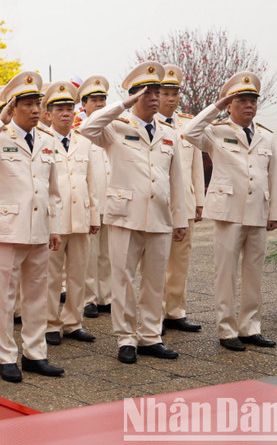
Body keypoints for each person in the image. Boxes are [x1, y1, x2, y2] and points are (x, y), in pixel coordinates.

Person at [80, 61, 187, 365]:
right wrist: (123, 104)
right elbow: (88, 127)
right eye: (148, 92)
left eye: (158, 92)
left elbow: (176, 180)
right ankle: (126, 337)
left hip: (159, 216)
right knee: (123, 280)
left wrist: (179, 219)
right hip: (125, 215)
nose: (155, 97)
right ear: (134, 96)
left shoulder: (169, 134)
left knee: (154, 280)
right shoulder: (115, 128)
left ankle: (151, 336)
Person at [0, 71, 64, 381]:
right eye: (29, 104)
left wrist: (55, 226)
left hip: (39, 228)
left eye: (38, 103)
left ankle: (35, 354)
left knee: (37, 296)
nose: (36, 110)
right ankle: (6, 356)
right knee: (4, 298)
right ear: (13, 107)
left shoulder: (47, 139)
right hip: (8, 229)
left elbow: (54, 189)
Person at [183, 71, 277, 351]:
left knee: (254, 273)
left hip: (257, 213)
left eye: (252, 100)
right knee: (225, 273)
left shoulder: (266, 136)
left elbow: (272, 176)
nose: (249, 105)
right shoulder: (216, 132)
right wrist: (216, 106)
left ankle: (250, 327)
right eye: (242, 100)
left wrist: (275, 213)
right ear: (230, 104)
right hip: (228, 213)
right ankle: (227, 330)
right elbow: (189, 132)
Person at [41, 81, 99, 346]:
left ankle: (73, 322)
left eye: (69, 108)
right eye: (59, 109)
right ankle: (51, 323)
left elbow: (93, 182)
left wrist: (95, 216)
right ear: (49, 113)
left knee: (78, 275)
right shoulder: (42, 140)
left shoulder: (84, 142)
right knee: (52, 277)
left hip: (80, 217)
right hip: (53, 220)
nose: (65, 113)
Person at [156, 65, 204, 333]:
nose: (171, 99)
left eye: (175, 93)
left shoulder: (188, 124)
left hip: (184, 200)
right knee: (156, 261)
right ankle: (155, 314)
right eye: (166, 93)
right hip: (159, 202)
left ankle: (175, 311)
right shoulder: (146, 123)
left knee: (180, 259)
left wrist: (199, 201)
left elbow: (196, 164)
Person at [78, 77, 112, 318]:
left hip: (113, 200)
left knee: (108, 254)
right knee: (88, 256)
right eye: (95, 100)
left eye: (103, 100)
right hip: (90, 202)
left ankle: (106, 297)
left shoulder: (117, 128)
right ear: (84, 104)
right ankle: (88, 298)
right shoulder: (80, 131)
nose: (99, 104)